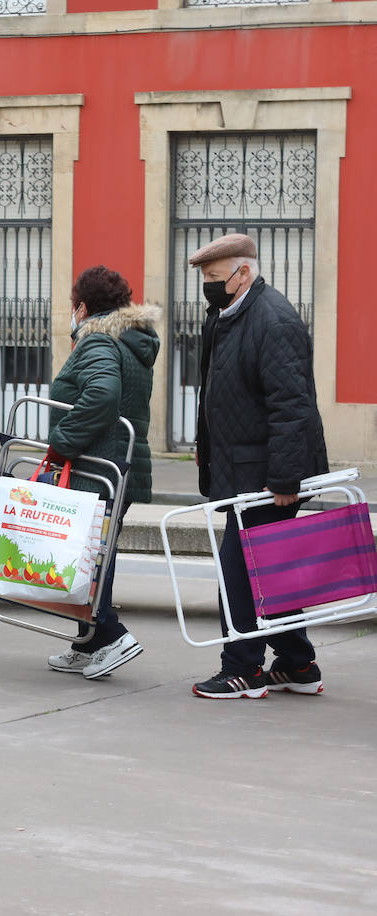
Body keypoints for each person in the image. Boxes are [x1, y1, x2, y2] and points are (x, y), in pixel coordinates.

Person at [188, 233, 329, 699]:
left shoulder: (273, 320)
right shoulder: (228, 316)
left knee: (240, 571)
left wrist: (285, 479)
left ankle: (242, 668)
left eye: (213, 278)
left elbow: (293, 406)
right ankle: (297, 664)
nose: (208, 287)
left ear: (242, 273)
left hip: (267, 476)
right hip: (244, 468)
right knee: (270, 569)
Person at [33, 265, 160, 678]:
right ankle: (87, 642)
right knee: (96, 557)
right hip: (118, 469)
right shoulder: (128, 341)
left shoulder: (98, 340)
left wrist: (62, 442)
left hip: (96, 469)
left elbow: (103, 396)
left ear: (82, 307)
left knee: (89, 559)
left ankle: (111, 634)